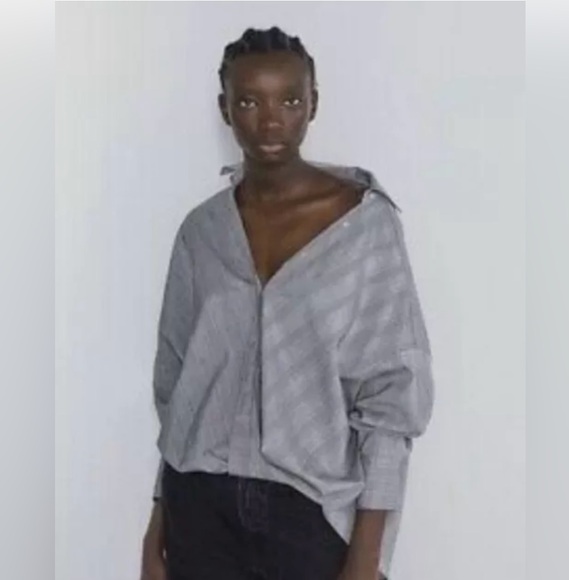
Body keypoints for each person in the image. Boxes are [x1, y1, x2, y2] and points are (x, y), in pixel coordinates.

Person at [140, 26, 434, 580]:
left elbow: (391, 400)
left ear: (313, 103)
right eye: (250, 102)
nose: (271, 121)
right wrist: (159, 523)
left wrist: (367, 559)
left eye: (290, 101)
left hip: (309, 514)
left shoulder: (364, 227)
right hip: (198, 507)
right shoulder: (201, 233)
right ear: (225, 110)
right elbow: (178, 390)